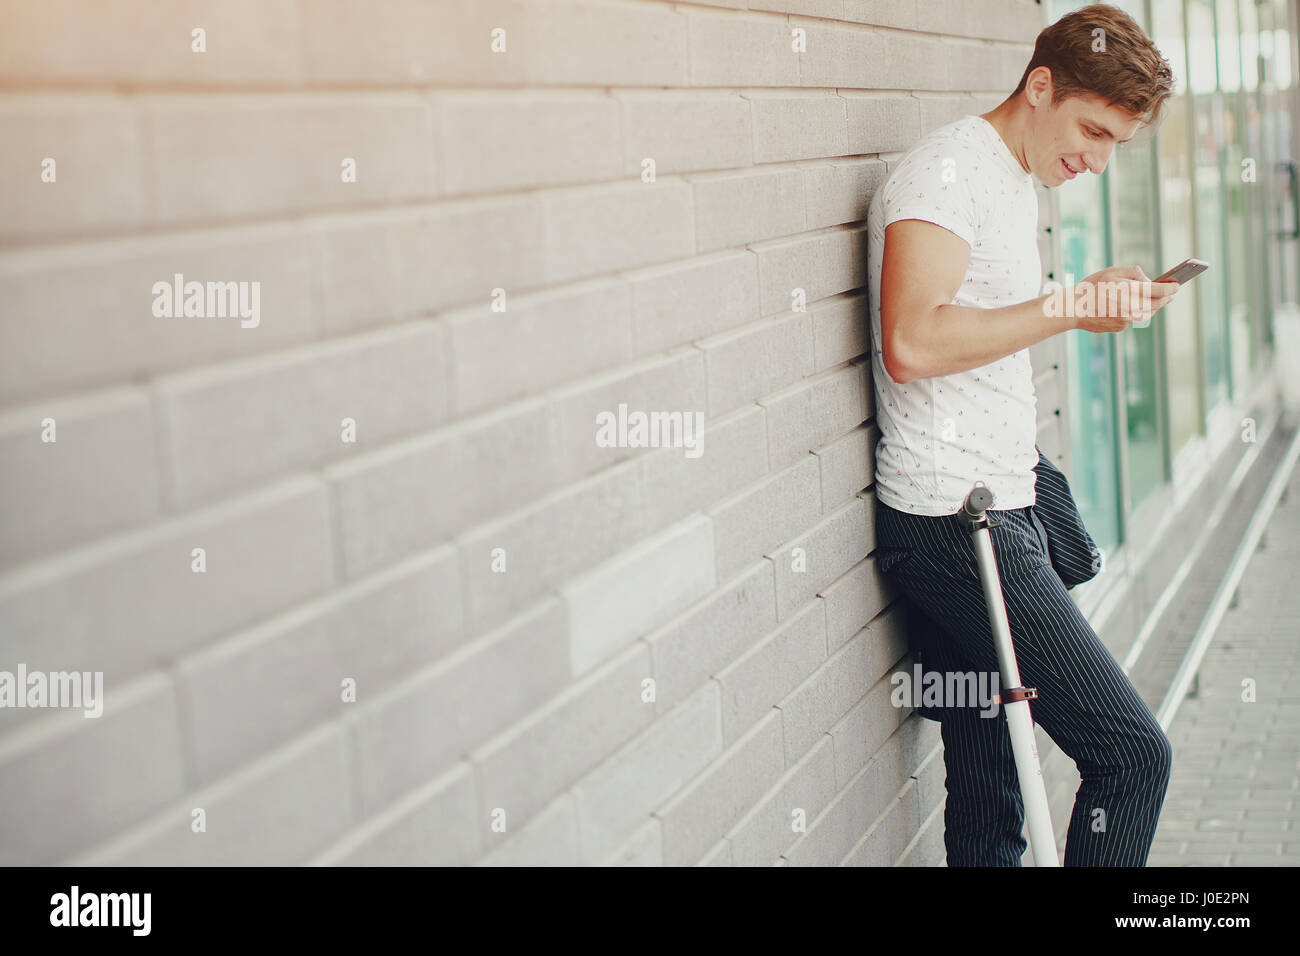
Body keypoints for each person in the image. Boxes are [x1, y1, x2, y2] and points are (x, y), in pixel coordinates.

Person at [866, 3, 1181, 866]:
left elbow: (986, 328)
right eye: (1091, 130)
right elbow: (913, 341)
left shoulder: (1012, 178)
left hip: (995, 503)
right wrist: (1070, 305)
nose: (1097, 159)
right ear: (1038, 86)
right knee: (1131, 754)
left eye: (1117, 142)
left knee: (990, 794)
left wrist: (1088, 312)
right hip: (955, 524)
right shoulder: (945, 175)